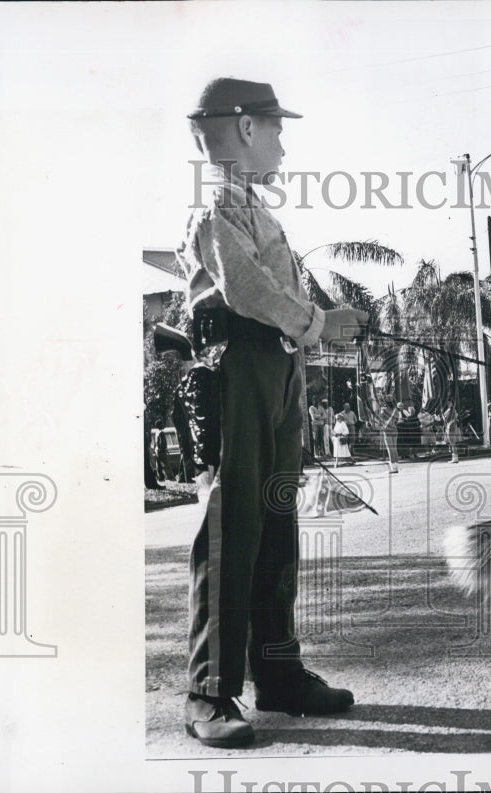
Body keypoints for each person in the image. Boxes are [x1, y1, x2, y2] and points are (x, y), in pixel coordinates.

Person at [176, 78, 367, 748]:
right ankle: (211, 690)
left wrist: (320, 326)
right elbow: (249, 289)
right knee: (235, 530)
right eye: (276, 129)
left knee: (277, 526)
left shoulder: (255, 209)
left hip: (277, 366)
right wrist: (318, 320)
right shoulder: (217, 210)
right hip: (237, 368)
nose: (284, 144)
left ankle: (279, 676)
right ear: (246, 130)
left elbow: (278, 296)